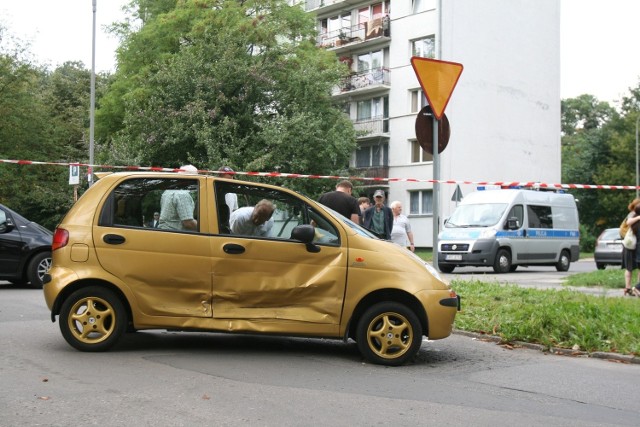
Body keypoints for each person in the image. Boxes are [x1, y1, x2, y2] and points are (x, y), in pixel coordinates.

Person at [158, 165, 198, 231]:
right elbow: (188, 223)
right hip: (176, 235)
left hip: (165, 233)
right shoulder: (182, 194)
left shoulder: (167, 191)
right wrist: (204, 228)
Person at [623, 200, 640, 295]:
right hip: (631, 245)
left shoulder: (634, 215)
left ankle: (634, 287)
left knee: (632, 268)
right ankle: (630, 287)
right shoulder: (632, 215)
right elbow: (628, 222)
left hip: (633, 246)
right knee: (630, 268)